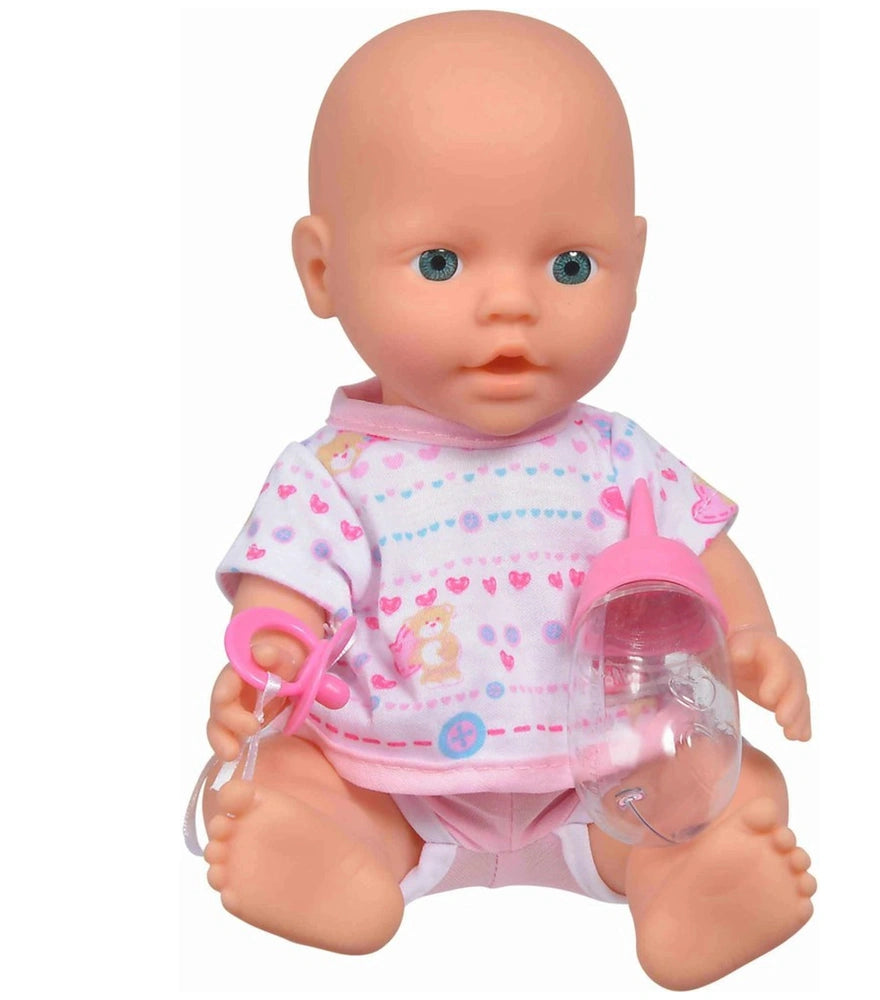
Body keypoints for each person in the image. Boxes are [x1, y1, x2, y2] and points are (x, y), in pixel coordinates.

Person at [198, 11, 815, 990]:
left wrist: (747, 638)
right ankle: (331, 855)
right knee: (293, 776)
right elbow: (286, 595)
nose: (511, 305)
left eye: (570, 265)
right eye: (441, 262)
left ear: (634, 266)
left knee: (729, 779)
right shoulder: (334, 471)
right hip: (388, 782)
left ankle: (686, 879)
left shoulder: (616, 454)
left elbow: (705, 558)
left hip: (610, 782)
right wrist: (268, 655)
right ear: (322, 270)